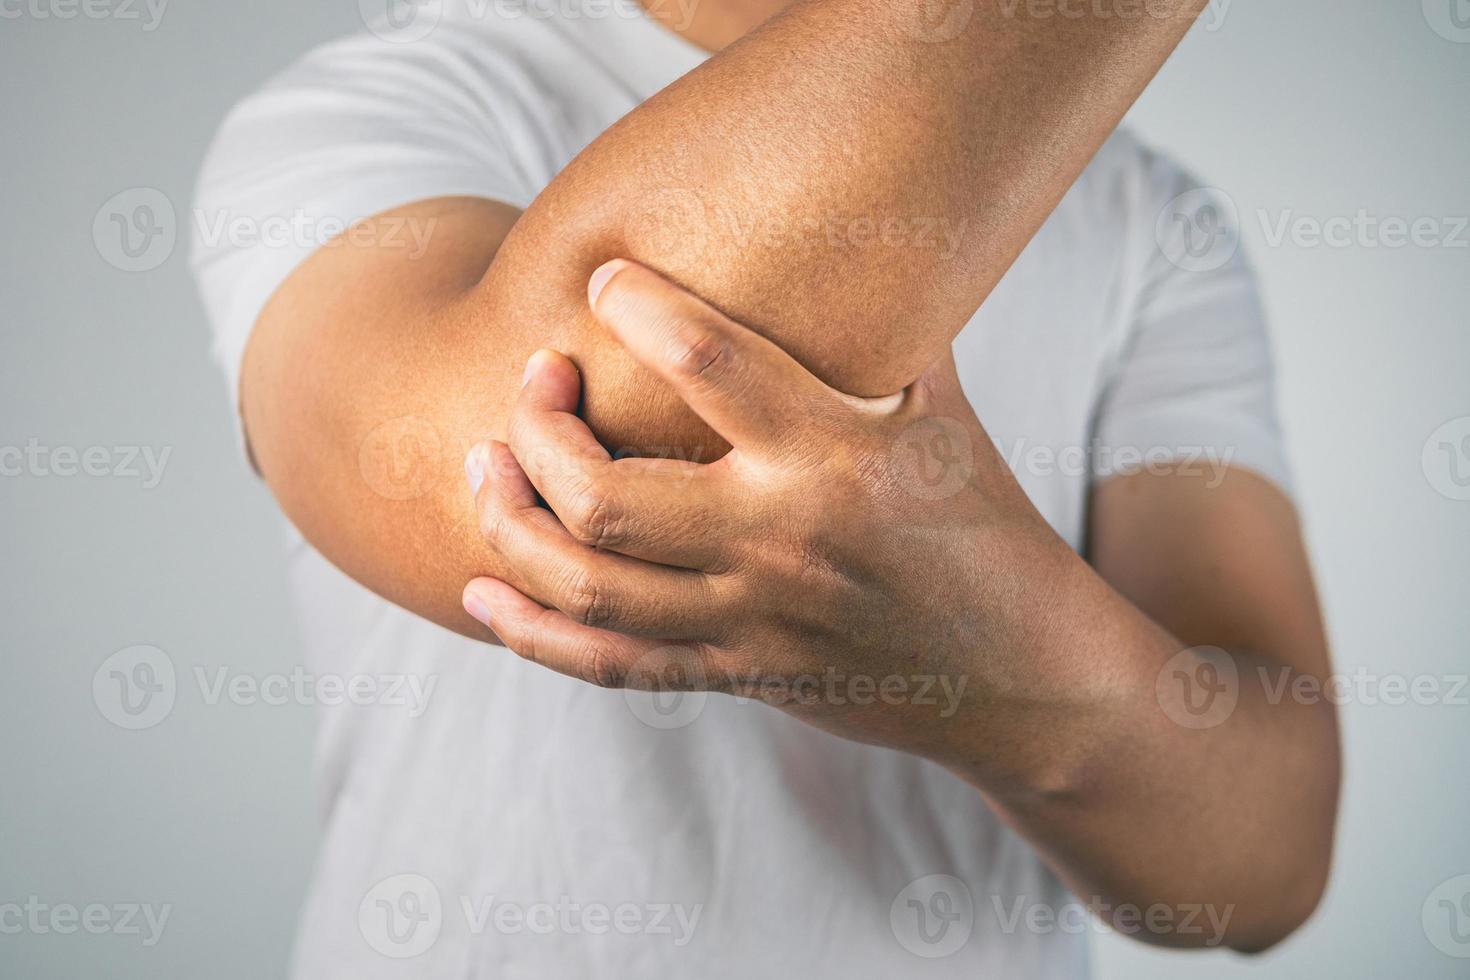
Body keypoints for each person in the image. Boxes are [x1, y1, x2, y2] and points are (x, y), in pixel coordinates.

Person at [191, 0, 1340, 974]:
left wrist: (993, 668)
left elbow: (1267, 853)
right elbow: (544, 490)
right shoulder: (387, 105)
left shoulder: (1147, 219)